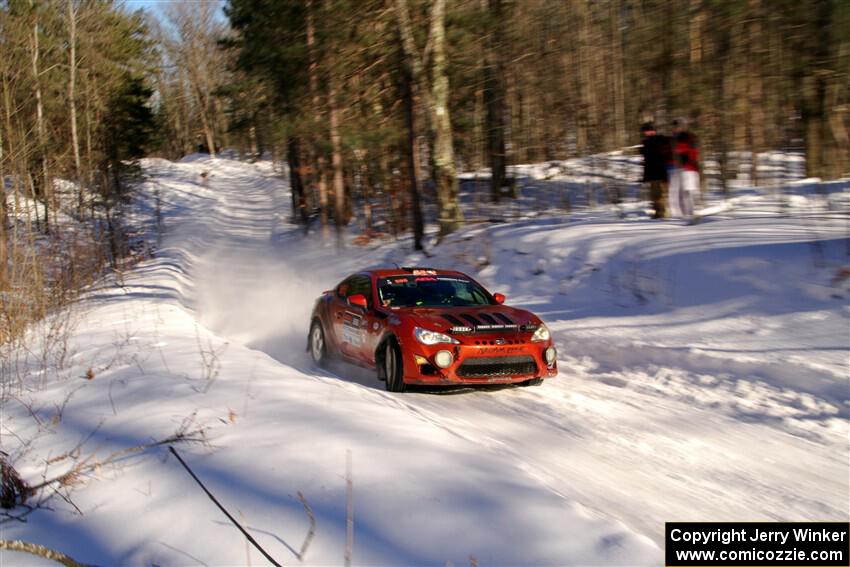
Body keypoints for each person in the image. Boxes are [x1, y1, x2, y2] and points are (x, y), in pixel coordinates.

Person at [668, 119, 700, 220]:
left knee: (687, 192)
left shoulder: (687, 136)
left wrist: (680, 148)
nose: (675, 128)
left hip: (689, 168)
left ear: (682, 127)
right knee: (677, 193)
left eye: (677, 126)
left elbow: (693, 150)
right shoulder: (674, 138)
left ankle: (690, 213)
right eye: (674, 127)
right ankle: (680, 215)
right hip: (679, 168)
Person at [639, 122, 671, 219]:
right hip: (652, 173)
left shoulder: (659, 140)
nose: (647, 133)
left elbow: (661, 155)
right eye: (646, 131)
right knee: (654, 195)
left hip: (660, 172)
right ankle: (658, 213)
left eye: (649, 131)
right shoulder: (647, 142)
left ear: (653, 131)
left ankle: (662, 213)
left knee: (660, 195)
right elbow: (647, 160)